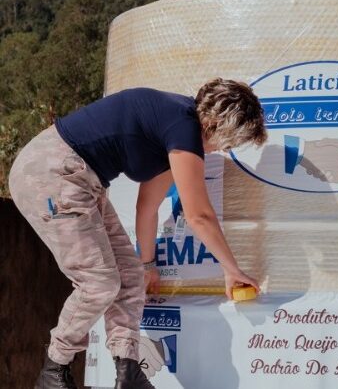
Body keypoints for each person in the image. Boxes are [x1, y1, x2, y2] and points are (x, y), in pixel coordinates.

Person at [9, 79, 267, 389]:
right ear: (215, 124)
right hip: (51, 173)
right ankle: (54, 370)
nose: (220, 151)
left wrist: (147, 265)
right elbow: (199, 215)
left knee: (130, 275)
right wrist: (231, 269)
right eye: (228, 143)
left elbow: (148, 206)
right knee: (99, 282)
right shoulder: (183, 126)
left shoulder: (173, 130)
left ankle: (128, 371)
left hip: (82, 181)